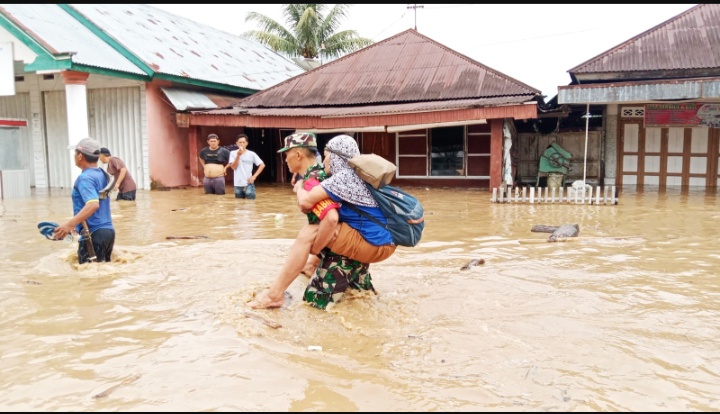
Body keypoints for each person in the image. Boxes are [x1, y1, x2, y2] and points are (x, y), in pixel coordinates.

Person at [249, 134, 396, 310]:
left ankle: (274, 295)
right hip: (368, 242)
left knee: (314, 307)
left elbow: (331, 218)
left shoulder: (314, 179)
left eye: (286, 154)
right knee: (361, 300)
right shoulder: (328, 174)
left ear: (297, 154)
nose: (285, 159)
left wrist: (316, 250)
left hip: (347, 253)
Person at [53, 137, 115, 264]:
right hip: (108, 232)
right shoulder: (100, 173)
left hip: (94, 234)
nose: (74, 156)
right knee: (101, 276)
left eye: (75, 153)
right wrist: (78, 224)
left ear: (80, 156)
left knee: (89, 280)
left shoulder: (85, 178)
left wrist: (69, 225)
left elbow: (93, 205)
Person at [226, 134, 265, 199]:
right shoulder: (233, 153)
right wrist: (238, 156)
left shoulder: (251, 154)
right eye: (240, 142)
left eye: (243, 142)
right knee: (239, 205)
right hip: (237, 184)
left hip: (249, 183)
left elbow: (262, 165)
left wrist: (254, 176)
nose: (242, 144)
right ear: (237, 143)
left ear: (246, 143)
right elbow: (233, 167)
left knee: (250, 205)